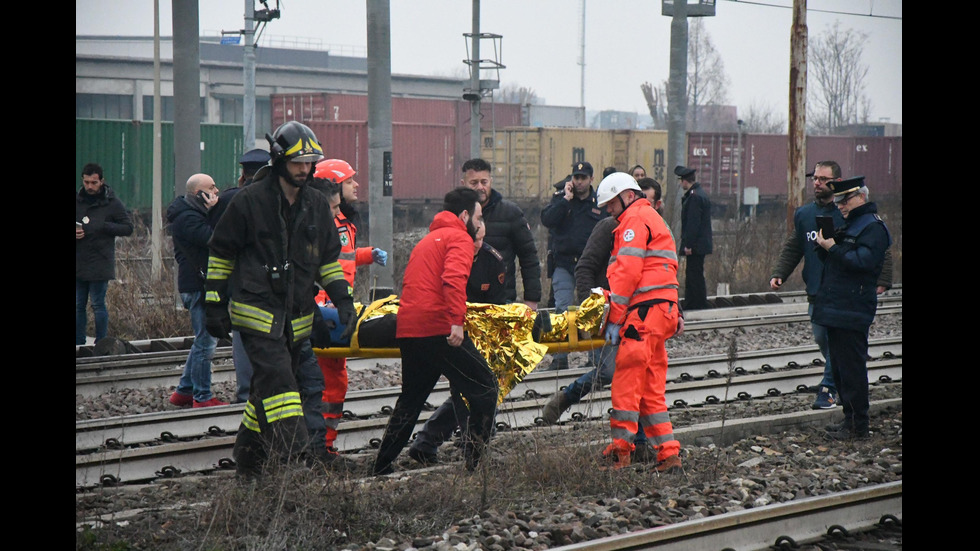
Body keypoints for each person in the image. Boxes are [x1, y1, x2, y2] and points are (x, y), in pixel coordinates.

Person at [204, 121, 357, 478]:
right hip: (256, 315)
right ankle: (296, 459)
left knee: (264, 394)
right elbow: (221, 254)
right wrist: (213, 303)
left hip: (297, 320)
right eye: (297, 162)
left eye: (309, 163)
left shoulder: (317, 205)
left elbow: (327, 263)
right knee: (283, 387)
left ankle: (249, 462)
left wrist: (342, 301)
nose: (305, 169)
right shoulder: (248, 202)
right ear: (278, 160)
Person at [372, 188, 498, 476]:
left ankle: (381, 466)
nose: (480, 225)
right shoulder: (459, 238)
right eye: (478, 218)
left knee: (412, 398)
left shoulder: (428, 240)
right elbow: (452, 279)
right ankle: (476, 465)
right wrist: (456, 321)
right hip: (439, 327)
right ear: (465, 215)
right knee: (486, 387)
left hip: (410, 328)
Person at [769, 161, 893, 411]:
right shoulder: (804, 214)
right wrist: (779, 273)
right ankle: (841, 386)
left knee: (838, 344)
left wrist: (883, 279)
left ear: (836, 182)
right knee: (823, 339)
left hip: (844, 293)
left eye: (823, 179)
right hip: (816, 289)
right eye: (815, 178)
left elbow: (880, 250)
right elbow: (794, 246)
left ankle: (829, 389)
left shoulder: (850, 216)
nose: (817, 183)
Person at [595, 172, 684, 472]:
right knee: (650, 388)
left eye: (611, 204)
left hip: (643, 315)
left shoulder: (634, 221)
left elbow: (627, 273)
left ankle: (620, 449)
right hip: (661, 312)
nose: (609, 211)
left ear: (627, 196)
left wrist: (614, 318)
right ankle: (669, 453)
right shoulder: (653, 218)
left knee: (626, 378)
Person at [406, 217, 506, 466]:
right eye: (474, 240)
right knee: (467, 388)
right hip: (450, 329)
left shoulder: (491, 261)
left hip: (479, 331)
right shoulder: (448, 251)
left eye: (481, 240)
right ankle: (465, 445)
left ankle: (430, 442)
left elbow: (499, 301)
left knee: (473, 388)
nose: (477, 245)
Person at [311, 158, 388, 463]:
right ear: (334, 187)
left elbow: (342, 256)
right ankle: (322, 446)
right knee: (330, 381)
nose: (356, 185)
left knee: (331, 379)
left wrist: (367, 255)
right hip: (323, 306)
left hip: (332, 304)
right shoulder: (327, 220)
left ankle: (321, 444)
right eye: (350, 181)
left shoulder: (341, 219)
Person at [813, 176, 891, 441]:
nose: (840, 206)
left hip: (853, 307)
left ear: (861, 197)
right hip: (838, 307)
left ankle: (859, 425)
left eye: (844, 200)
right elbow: (839, 263)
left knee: (853, 368)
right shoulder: (850, 224)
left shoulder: (873, 228)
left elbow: (863, 263)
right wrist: (824, 247)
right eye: (837, 201)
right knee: (840, 369)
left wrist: (833, 248)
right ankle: (850, 419)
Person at [211, 148, 271, 404]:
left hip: (235, 280)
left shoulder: (227, 199)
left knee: (242, 336)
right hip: (266, 280)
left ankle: (246, 392)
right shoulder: (272, 199)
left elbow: (214, 239)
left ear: (242, 172)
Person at [166, 173, 229, 408]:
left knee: (202, 340)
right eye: (211, 188)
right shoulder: (188, 219)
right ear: (197, 194)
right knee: (206, 342)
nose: (216, 192)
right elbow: (214, 239)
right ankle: (202, 396)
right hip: (197, 285)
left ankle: (184, 391)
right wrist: (215, 212)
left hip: (198, 284)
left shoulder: (192, 214)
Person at [540, 161, 606, 370]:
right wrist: (565, 200)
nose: (578, 182)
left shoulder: (599, 202)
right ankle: (560, 358)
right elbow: (547, 220)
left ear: (591, 179)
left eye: (583, 178)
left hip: (590, 265)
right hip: (564, 263)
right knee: (563, 310)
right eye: (576, 177)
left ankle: (595, 359)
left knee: (592, 310)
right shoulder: (561, 199)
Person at [459, 158, 541, 310]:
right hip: (463, 301)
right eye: (474, 183)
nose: (480, 187)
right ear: (463, 184)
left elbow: (529, 256)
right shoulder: (454, 214)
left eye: (484, 182)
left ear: (491, 181)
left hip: (502, 300)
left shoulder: (511, 213)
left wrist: (532, 299)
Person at [76, 162, 134, 345]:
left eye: (94, 183)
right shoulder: (78, 201)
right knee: (78, 304)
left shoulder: (112, 203)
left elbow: (128, 227)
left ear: (101, 181)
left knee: (98, 304)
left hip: (100, 260)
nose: (90, 187)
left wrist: (103, 226)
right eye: (86, 183)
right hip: (79, 260)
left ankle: (101, 342)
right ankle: (79, 341)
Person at [675, 165, 713, 310]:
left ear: (685, 181)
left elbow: (693, 223)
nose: (680, 184)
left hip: (696, 245)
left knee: (694, 274)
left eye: (681, 181)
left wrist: (688, 245)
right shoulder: (699, 193)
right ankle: (692, 302)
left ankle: (697, 304)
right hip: (700, 244)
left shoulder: (694, 197)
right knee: (694, 272)